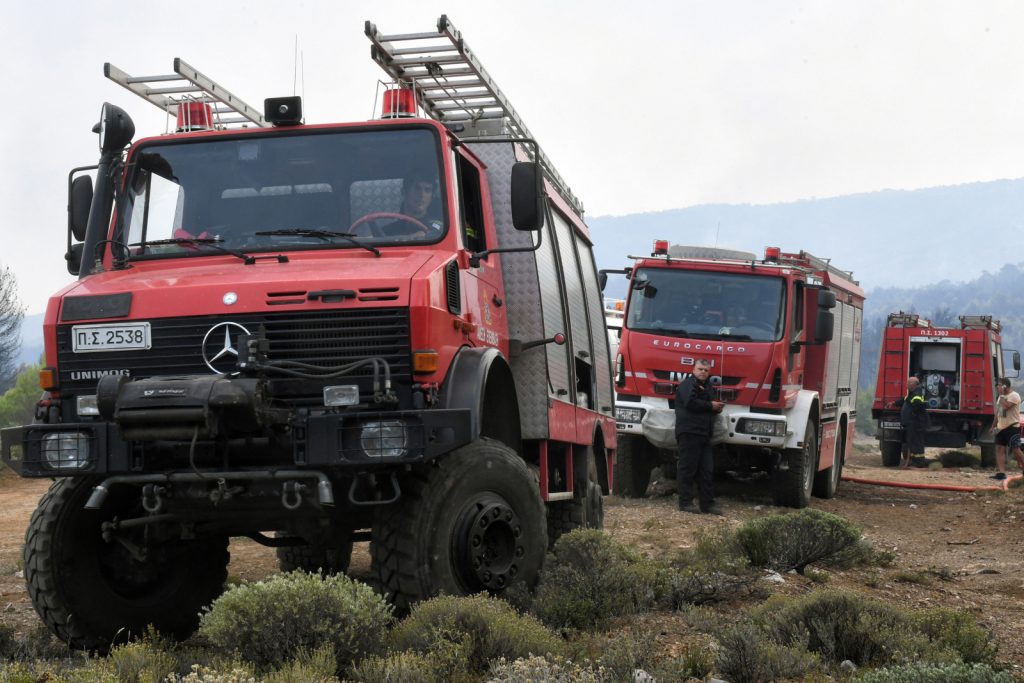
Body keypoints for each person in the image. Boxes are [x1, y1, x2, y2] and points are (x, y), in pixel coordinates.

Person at [674, 359, 725, 515]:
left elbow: (711, 405)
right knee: (687, 469)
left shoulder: (708, 387)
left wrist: (717, 407)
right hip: (689, 432)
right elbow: (690, 402)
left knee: (706, 470)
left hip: (704, 434)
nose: (703, 372)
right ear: (693, 370)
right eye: (700, 369)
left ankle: (707, 505)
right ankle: (685, 503)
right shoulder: (687, 385)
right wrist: (710, 405)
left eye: (706, 370)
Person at [380, 172, 442, 237]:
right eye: (417, 188)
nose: (422, 195)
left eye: (427, 190)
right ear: (404, 192)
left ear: (432, 197)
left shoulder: (438, 228)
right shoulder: (387, 231)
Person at [989, 378, 1023, 481]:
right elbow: (998, 413)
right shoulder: (1001, 397)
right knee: (1000, 449)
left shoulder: (1014, 396)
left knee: (1016, 449)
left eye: (999, 385)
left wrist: (1001, 395)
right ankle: (1002, 473)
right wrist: (993, 426)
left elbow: (1006, 406)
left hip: (1012, 427)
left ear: (1005, 386)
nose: (997, 387)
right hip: (1001, 427)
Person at [891, 376, 927, 468]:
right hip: (911, 423)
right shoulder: (911, 393)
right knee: (911, 442)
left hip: (916, 423)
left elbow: (918, 404)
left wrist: (912, 413)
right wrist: (894, 403)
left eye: (908, 383)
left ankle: (919, 462)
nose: (906, 384)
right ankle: (914, 461)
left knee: (916, 443)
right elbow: (904, 400)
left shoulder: (917, 393)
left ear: (913, 384)